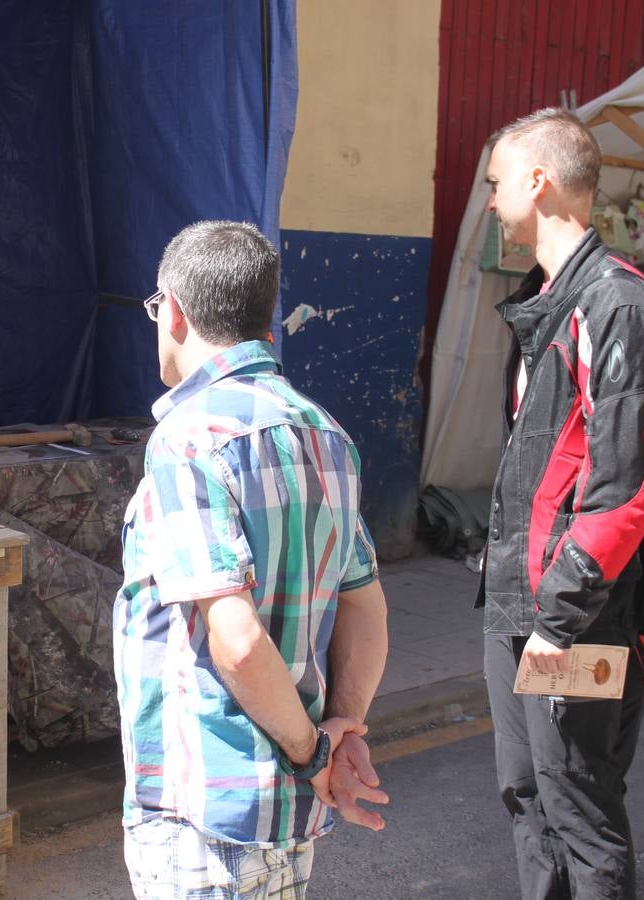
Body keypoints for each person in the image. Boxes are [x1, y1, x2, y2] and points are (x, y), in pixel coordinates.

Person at [114, 220, 391, 898]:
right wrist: (341, 723)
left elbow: (235, 640)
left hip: (206, 807)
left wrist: (310, 750)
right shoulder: (325, 433)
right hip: (284, 812)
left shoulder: (188, 438)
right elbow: (366, 604)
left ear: (172, 310)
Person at [479, 108, 644, 898]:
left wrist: (556, 623)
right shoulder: (547, 300)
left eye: (499, 184)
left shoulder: (620, 307)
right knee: (528, 797)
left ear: (539, 182)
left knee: (580, 804)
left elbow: (622, 491)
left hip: (585, 616)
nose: (494, 201)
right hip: (516, 605)